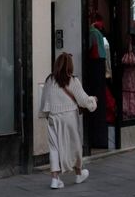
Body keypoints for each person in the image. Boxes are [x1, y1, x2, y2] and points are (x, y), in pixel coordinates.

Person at [40, 53, 96, 188]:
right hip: (70, 117)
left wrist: (47, 114)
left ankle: (55, 179)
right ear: (70, 65)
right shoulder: (73, 81)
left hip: (53, 117)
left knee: (54, 148)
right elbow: (83, 100)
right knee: (74, 145)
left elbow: (44, 101)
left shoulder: (49, 80)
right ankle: (78, 173)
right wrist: (93, 101)